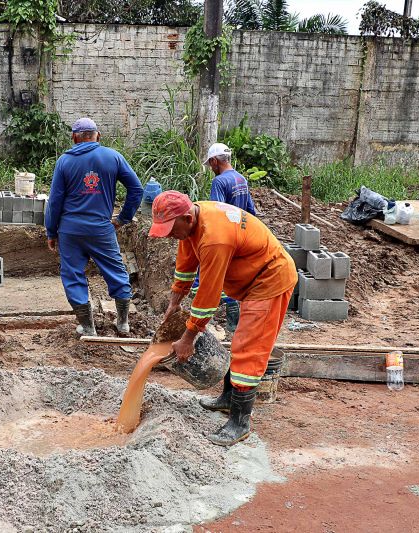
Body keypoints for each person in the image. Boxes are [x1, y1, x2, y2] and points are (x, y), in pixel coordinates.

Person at [149, 191, 296, 447]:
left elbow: (208, 295)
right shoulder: (193, 220)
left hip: (269, 281)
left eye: (171, 230)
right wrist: (174, 303)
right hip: (250, 279)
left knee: (249, 348)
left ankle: (240, 422)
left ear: (186, 217)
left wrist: (188, 338)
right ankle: (229, 397)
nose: (171, 235)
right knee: (239, 341)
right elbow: (185, 265)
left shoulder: (215, 238)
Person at [45, 117, 143, 336]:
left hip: (70, 230)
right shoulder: (113, 157)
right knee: (116, 272)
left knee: (73, 275)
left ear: (74, 137)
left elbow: (55, 201)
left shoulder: (64, 161)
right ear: (98, 135)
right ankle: (123, 323)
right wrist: (122, 218)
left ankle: (88, 327)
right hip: (101, 228)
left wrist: (51, 231)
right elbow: (136, 189)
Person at [190, 142, 257, 333]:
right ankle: (233, 320)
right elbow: (250, 212)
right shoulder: (241, 179)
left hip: (222, 237)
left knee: (203, 274)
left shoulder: (219, 182)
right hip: (239, 237)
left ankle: (198, 315)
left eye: (210, 164)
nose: (211, 168)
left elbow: (216, 213)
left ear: (214, 161)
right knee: (230, 276)